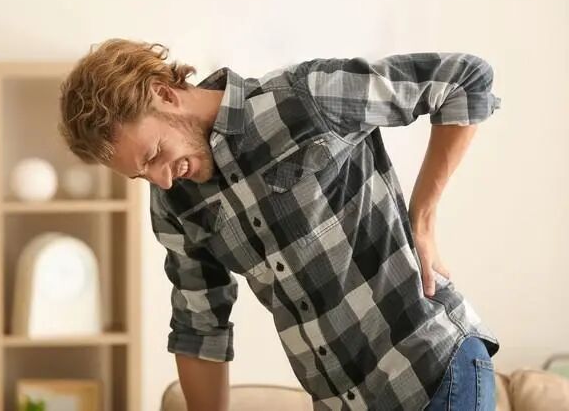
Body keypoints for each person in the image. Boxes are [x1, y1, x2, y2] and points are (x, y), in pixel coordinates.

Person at [58, 38, 502, 410]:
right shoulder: (175, 201)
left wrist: (422, 218)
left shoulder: (305, 98)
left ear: (165, 95)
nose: (161, 179)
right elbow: (199, 327)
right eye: (142, 175)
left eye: (154, 154)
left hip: (432, 370)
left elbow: (463, 79)